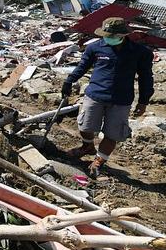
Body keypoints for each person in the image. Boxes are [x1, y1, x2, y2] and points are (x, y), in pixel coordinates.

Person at [62, 17, 154, 177]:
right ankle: (87, 146)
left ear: (123, 34)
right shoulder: (95, 48)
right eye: (106, 34)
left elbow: (146, 77)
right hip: (95, 95)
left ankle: (99, 160)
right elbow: (83, 66)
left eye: (112, 35)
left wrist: (143, 101)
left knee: (113, 134)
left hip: (121, 100)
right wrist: (69, 81)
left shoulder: (140, 52)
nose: (108, 38)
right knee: (85, 126)